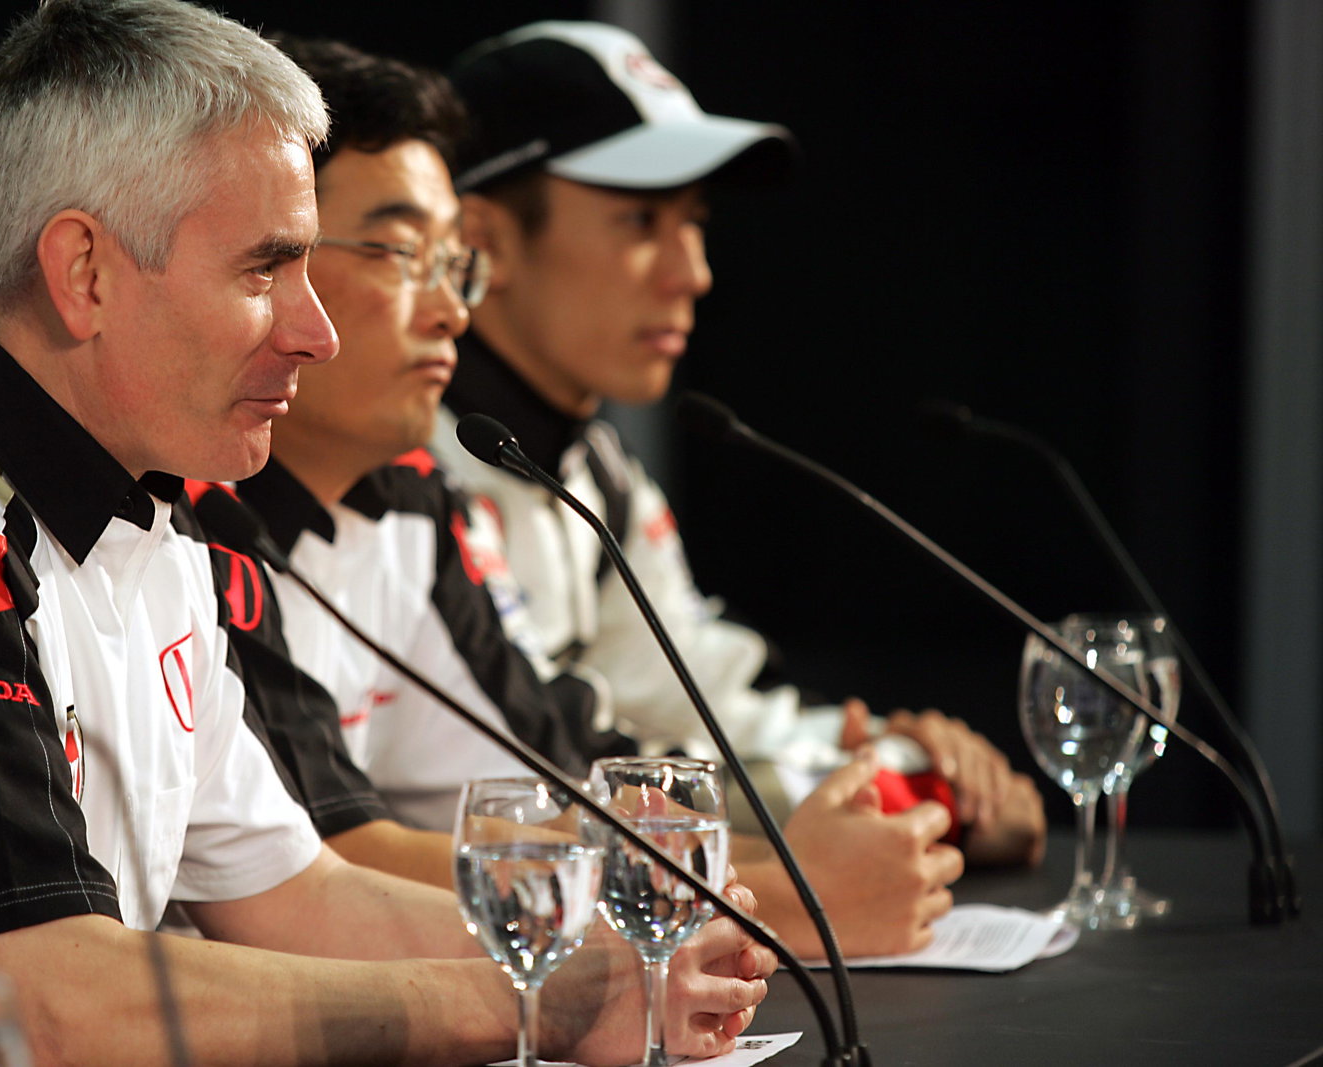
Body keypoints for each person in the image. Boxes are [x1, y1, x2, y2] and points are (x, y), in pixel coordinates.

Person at [0, 4, 769, 1064]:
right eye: (265, 271)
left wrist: (609, 961)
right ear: (84, 272)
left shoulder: (154, 518)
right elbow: (38, 996)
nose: (314, 332)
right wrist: (533, 1000)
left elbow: (297, 894)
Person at [193, 32, 975, 963]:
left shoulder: (434, 489)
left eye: (450, 264)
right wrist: (777, 896)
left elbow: (560, 776)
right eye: (641, 223)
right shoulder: (193, 512)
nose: (694, 272)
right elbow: (320, 868)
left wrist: (856, 813)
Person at [430, 21, 1047, 947]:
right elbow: (559, 766)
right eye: (641, 221)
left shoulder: (592, 466)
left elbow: (697, 702)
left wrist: (900, 758)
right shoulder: (404, 467)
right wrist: (908, 789)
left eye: (696, 224)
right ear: (484, 240)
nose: (695, 274)